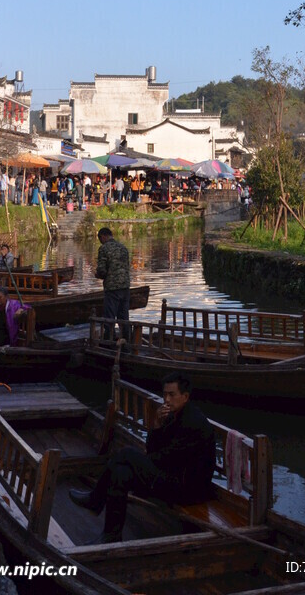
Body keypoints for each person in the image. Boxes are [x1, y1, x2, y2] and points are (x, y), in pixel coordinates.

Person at [69, 373, 216, 543]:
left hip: (188, 489)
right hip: (170, 475)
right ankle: (111, 535)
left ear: (185, 396)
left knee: (127, 453)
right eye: (165, 394)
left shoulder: (193, 422)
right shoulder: (172, 416)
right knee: (121, 473)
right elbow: (153, 450)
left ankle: (95, 500)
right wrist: (157, 425)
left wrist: (142, 461)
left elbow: (164, 458)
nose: (166, 399)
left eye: (172, 395)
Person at [95, 227, 130, 339]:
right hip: (125, 286)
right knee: (124, 317)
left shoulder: (104, 249)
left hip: (112, 287)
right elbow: (126, 267)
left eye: (100, 239)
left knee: (109, 317)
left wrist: (98, 275)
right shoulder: (123, 248)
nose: (101, 242)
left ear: (103, 236)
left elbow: (102, 270)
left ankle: (109, 342)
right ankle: (126, 342)